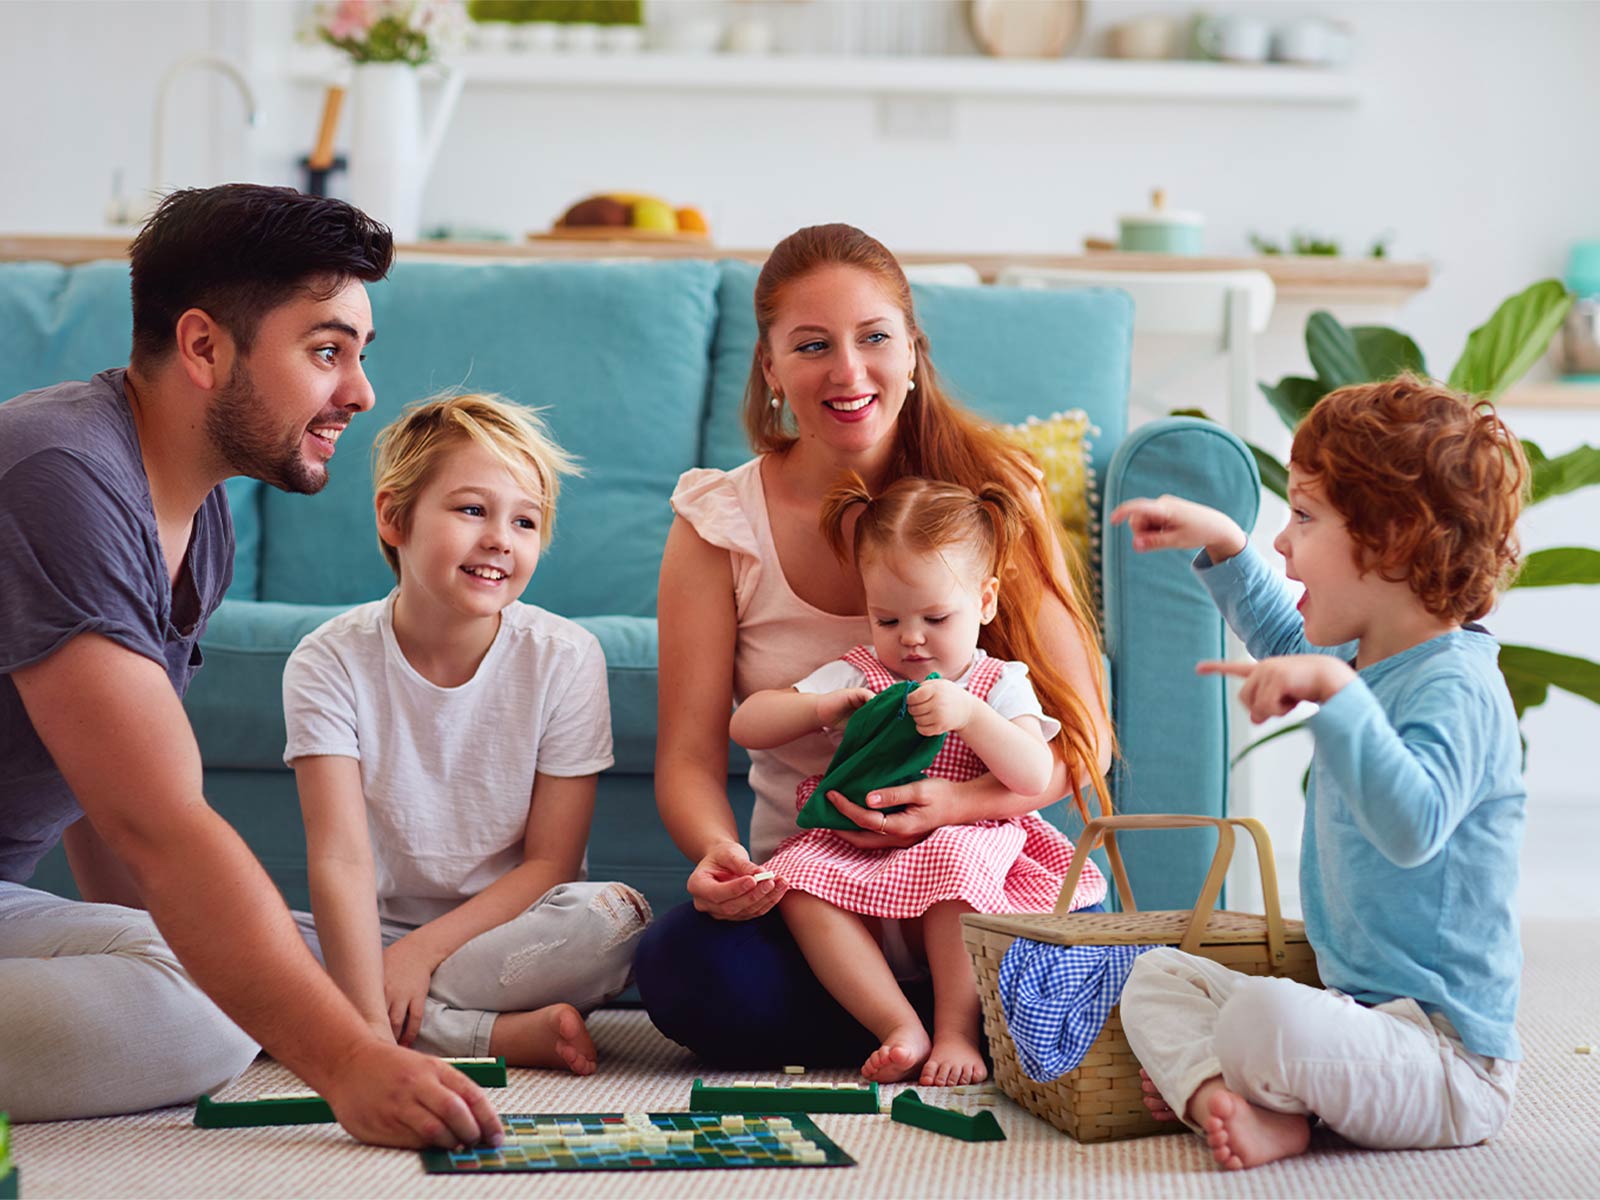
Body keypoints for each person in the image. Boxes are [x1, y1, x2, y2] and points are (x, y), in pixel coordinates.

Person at [0, 184, 502, 1147]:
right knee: (196, 1008)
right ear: (204, 348)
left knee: (242, 965)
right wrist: (349, 1065)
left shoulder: (199, 513)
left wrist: (194, 956)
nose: (358, 394)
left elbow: (111, 804)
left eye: (358, 356)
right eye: (326, 352)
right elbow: (157, 822)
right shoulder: (57, 476)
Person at [636, 223, 1113, 1067]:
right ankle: (932, 1022)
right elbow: (689, 757)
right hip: (823, 886)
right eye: (812, 345)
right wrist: (721, 853)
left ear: (914, 352)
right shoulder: (719, 522)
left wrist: (957, 809)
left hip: (976, 880)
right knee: (681, 972)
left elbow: (1082, 739)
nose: (848, 373)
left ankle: (954, 1016)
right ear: (771, 368)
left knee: (1050, 940)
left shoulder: (996, 492)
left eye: (874, 338)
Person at [1108, 373, 1527, 1170]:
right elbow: (1283, 635)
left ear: (1392, 539)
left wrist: (1338, 693)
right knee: (1156, 976)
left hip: (1444, 1059)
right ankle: (1236, 1105)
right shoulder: (1372, 654)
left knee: (1260, 1018)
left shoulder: (1457, 685)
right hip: (1355, 1021)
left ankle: (1257, 1090)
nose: (1283, 540)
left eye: (1303, 516)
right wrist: (1222, 542)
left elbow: (1413, 828)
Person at [284, 393, 650, 1076]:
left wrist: (417, 959)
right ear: (394, 517)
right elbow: (339, 861)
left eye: (526, 521)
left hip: (510, 935)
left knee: (614, 919)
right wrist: (376, 983)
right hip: (371, 932)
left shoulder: (565, 657)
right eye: (472, 510)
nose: (499, 539)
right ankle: (480, 1036)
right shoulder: (328, 659)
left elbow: (550, 865)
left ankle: (355, 1017)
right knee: (217, 952)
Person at [734, 475, 1107, 1086]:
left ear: (985, 602)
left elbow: (1035, 770)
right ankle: (896, 1023)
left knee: (956, 863)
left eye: (935, 617)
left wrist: (972, 716)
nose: (910, 638)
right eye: (887, 618)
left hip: (963, 841)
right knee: (795, 882)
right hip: (860, 847)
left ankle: (956, 1030)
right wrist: (820, 708)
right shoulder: (860, 671)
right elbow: (748, 723)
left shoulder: (996, 682)